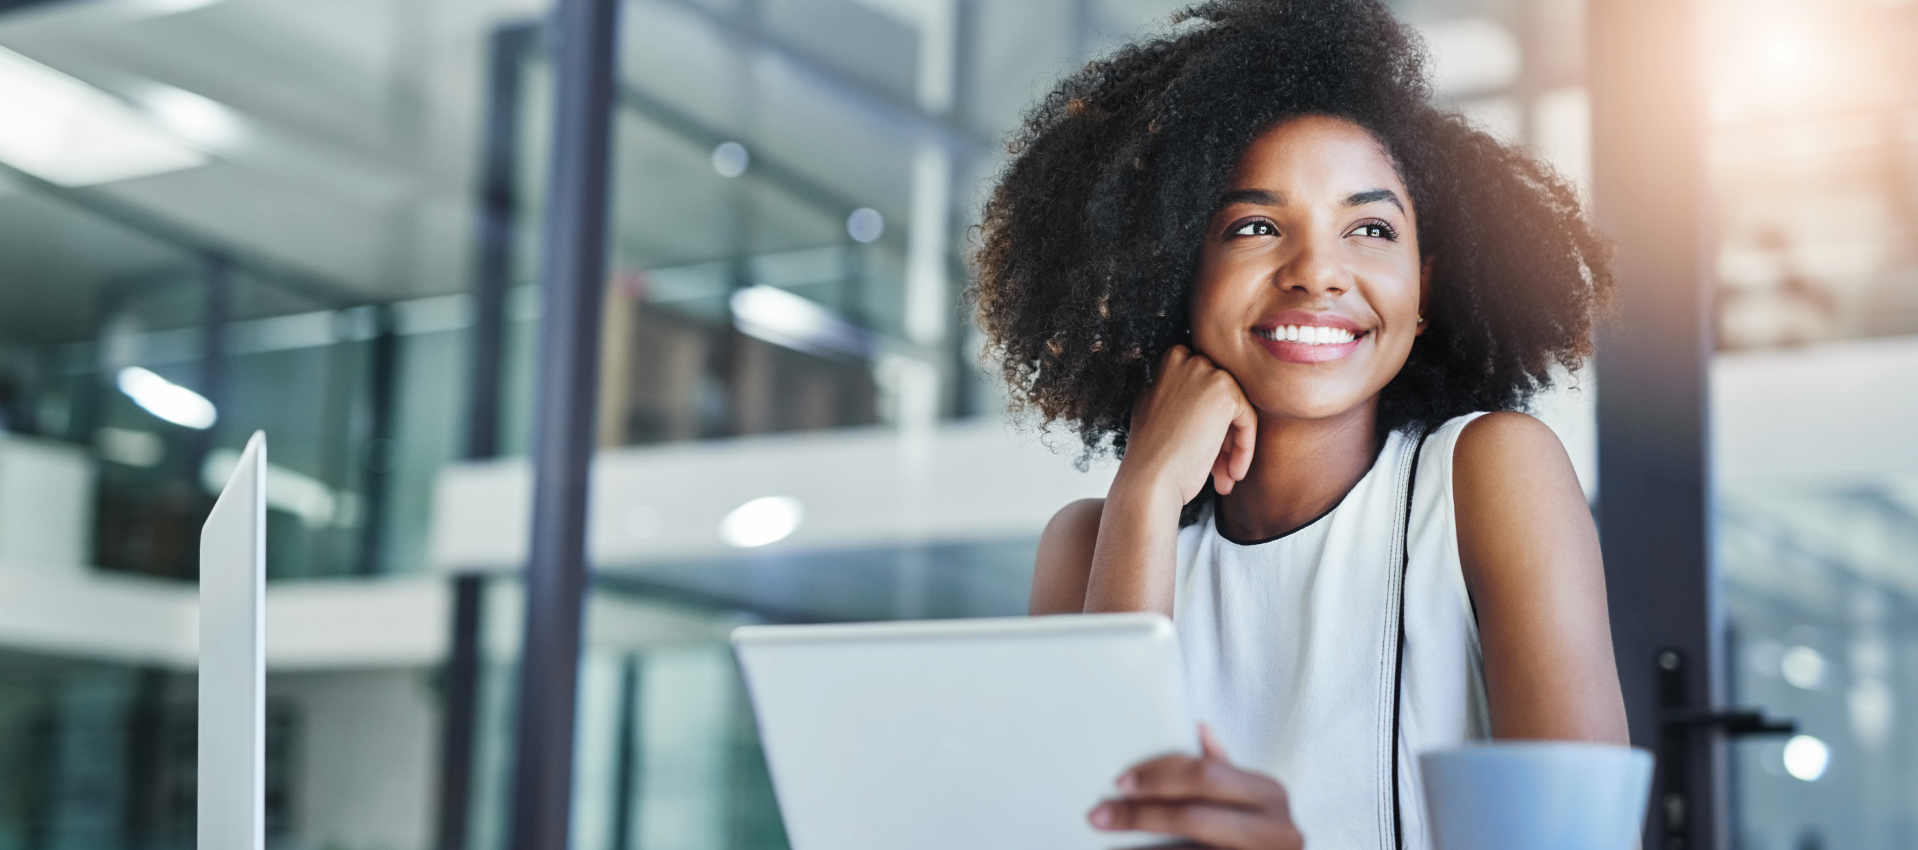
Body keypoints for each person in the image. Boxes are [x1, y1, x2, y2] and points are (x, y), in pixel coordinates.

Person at [967, 0, 1629, 847]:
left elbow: (1582, 841)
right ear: (1171, 274)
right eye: (1255, 226)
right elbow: (1098, 830)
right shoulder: (1091, 546)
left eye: (1371, 228)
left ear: (1422, 293)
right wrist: (1144, 495)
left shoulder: (1489, 474)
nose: (1319, 271)